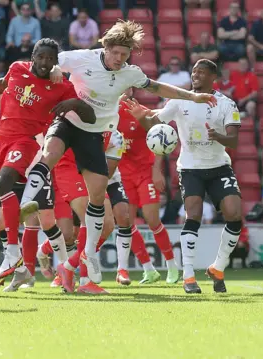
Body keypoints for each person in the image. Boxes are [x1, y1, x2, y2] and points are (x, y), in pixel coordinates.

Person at [20, 20, 216, 286]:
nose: (120, 60)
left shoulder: (129, 73)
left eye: (125, 55)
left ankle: (82, 260)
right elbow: (46, 63)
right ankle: (27, 201)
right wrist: (54, 69)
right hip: (69, 121)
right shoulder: (81, 58)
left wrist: (191, 97)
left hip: (94, 135)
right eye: (117, 54)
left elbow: (157, 87)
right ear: (106, 47)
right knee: (51, 151)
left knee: (98, 199)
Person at [0, 38, 93, 295]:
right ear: (33, 56)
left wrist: (73, 102)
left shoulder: (60, 86)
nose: (45, 63)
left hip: (29, 142)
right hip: (1, 140)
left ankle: (15, 254)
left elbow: (89, 115)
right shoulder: (17, 68)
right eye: (41, 57)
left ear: (55, 61)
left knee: (7, 187)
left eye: (50, 58)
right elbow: (2, 84)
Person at [124, 59, 242, 294]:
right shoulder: (178, 101)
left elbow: (234, 140)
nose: (196, 75)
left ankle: (218, 267)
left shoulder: (226, 104)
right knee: (193, 214)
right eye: (194, 72)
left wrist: (217, 136)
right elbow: (154, 125)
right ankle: (188, 275)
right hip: (190, 168)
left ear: (213, 78)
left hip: (220, 167)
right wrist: (141, 117)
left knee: (234, 214)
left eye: (202, 72)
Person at [117, 90, 179, 284]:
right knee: (126, 222)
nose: (124, 91)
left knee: (152, 219)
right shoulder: (108, 113)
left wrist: (156, 171)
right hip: (123, 175)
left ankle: (172, 267)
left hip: (145, 172)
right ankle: (148, 269)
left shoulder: (141, 111)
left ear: (132, 90)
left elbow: (159, 139)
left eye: (128, 88)